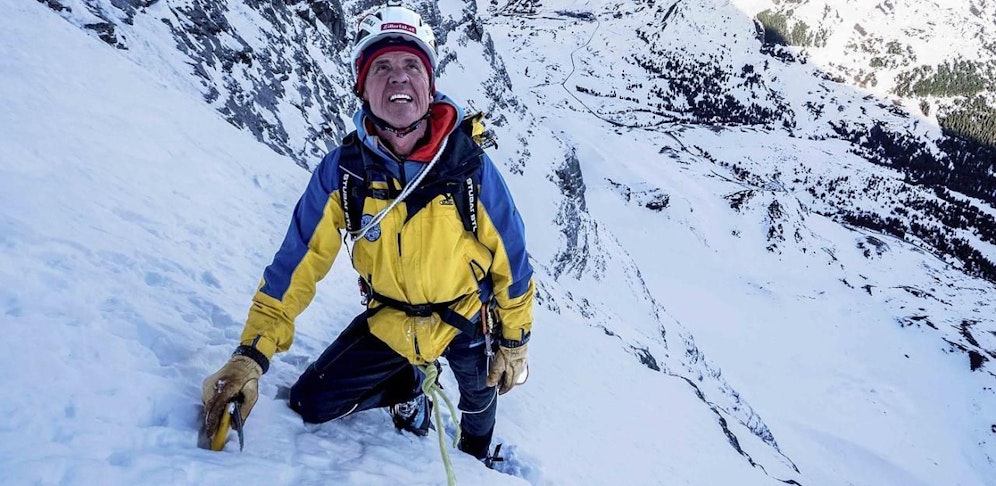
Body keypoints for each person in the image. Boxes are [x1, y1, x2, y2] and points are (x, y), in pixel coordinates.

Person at [201, 1, 534, 462]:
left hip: (465, 314)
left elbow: (511, 261)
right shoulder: (345, 172)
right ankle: (412, 382)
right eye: (381, 67)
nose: (398, 77)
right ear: (362, 87)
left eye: (410, 65)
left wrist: (514, 341)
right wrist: (251, 354)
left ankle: (478, 461)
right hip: (392, 318)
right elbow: (297, 262)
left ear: (429, 84)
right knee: (313, 402)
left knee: (478, 407)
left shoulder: (468, 168)